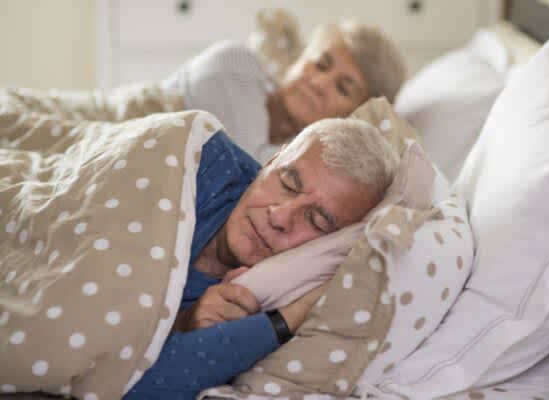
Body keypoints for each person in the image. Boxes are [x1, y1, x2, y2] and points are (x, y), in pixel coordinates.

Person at [124, 117, 400, 399]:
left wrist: (284, 320)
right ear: (271, 161)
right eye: (288, 183)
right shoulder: (201, 163)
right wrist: (181, 323)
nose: (280, 216)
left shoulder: (272, 303)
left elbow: (123, 390)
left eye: (317, 221)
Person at [161, 19, 406, 163]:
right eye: (320, 64)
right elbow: (243, 170)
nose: (319, 83)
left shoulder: (306, 154)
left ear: (357, 115)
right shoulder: (236, 64)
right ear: (300, 59)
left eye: (342, 88)